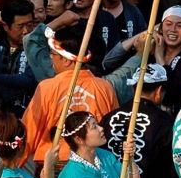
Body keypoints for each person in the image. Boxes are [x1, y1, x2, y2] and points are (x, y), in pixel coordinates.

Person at [22, 22, 119, 165]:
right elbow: (113, 131)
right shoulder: (104, 88)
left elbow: (29, 130)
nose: (50, 58)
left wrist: (12, 166)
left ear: (67, 60)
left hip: (55, 163)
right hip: (95, 163)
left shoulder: (47, 88)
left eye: (52, 54)